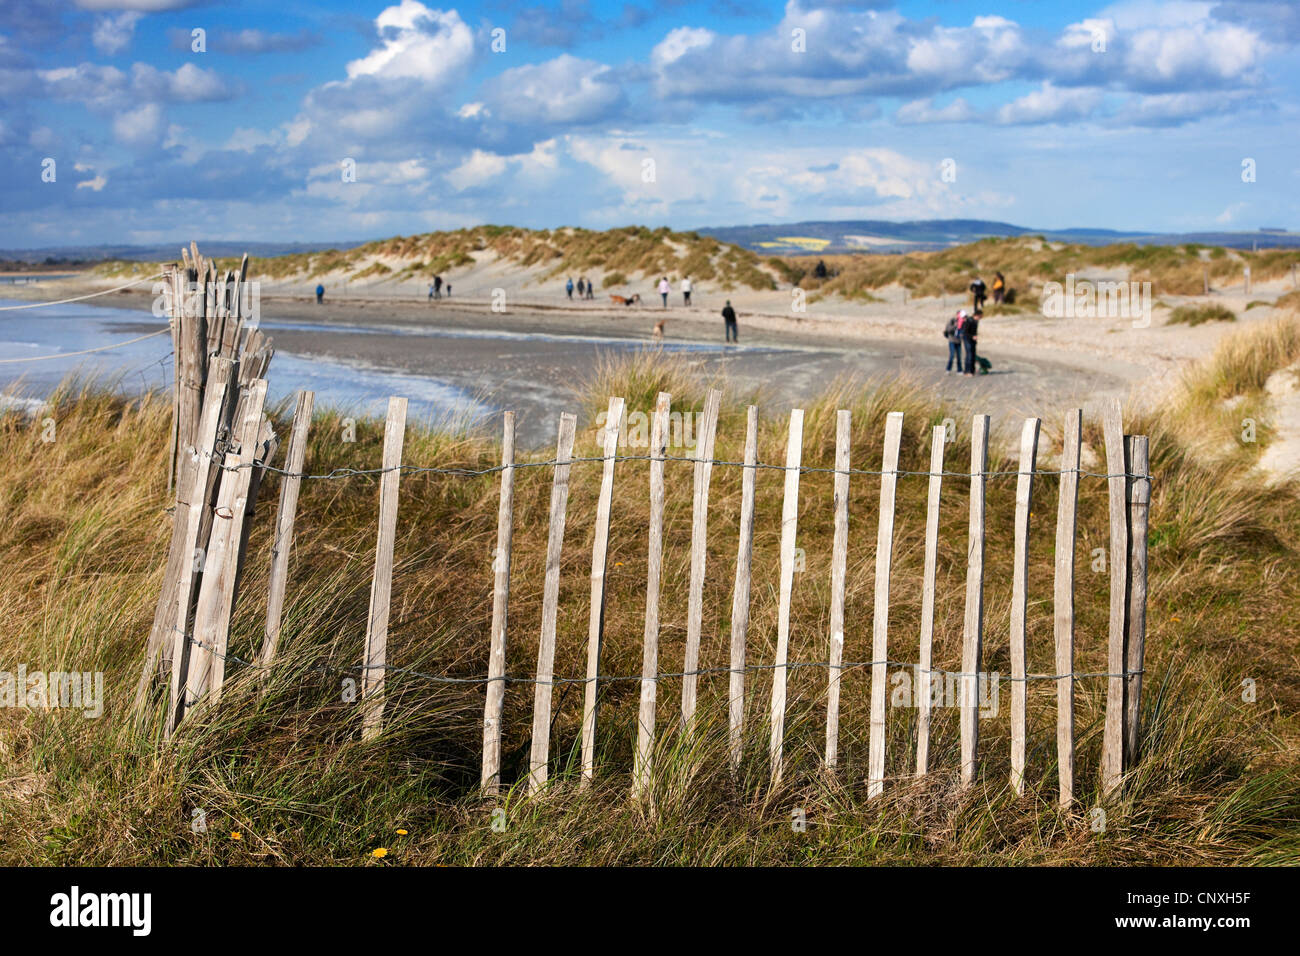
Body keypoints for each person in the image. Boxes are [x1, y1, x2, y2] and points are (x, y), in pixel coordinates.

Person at [962, 309, 981, 375]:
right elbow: (965, 332)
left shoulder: (976, 322)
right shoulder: (969, 321)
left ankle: (972, 371)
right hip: (967, 339)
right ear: (976, 315)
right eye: (980, 317)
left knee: (973, 355)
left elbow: (974, 331)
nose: (980, 318)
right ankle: (967, 371)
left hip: (973, 340)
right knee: (969, 355)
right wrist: (972, 336)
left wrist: (975, 337)